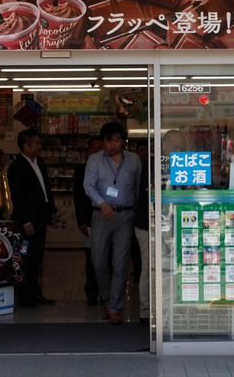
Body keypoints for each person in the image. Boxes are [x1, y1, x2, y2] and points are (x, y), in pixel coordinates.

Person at [84, 121, 141, 324]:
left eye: (117, 140)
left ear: (122, 141)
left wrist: (131, 209)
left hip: (125, 216)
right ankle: (108, 299)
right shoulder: (94, 160)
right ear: (103, 141)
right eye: (108, 141)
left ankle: (115, 307)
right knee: (98, 261)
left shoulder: (134, 161)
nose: (112, 145)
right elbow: (88, 186)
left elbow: (137, 187)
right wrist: (102, 203)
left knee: (120, 263)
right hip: (101, 215)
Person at [7, 129, 56, 307]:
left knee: (37, 258)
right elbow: (17, 197)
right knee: (24, 258)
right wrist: (26, 221)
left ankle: (36, 292)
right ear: (26, 146)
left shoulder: (39, 162)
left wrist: (51, 210)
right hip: (26, 223)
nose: (39, 147)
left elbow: (46, 189)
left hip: (41, 218)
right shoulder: (16, 167)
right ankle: (25, 296)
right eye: (36, 144)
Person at [73, 136, 103, 306]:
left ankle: (105, 293)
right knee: (91, 258)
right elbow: (78, 197)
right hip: (89, 221)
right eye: (94, 148)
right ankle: (91, 292)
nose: (97, 151)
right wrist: (81, 221)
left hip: (106, 219)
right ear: (88, 152)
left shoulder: (110, 168)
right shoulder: (81, 171)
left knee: (106, 258)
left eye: (101, 148)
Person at [134, 140, 150, 324]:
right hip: (146, 224)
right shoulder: (151, 166)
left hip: (159, 223)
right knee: (148, 269)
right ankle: (145, 312)